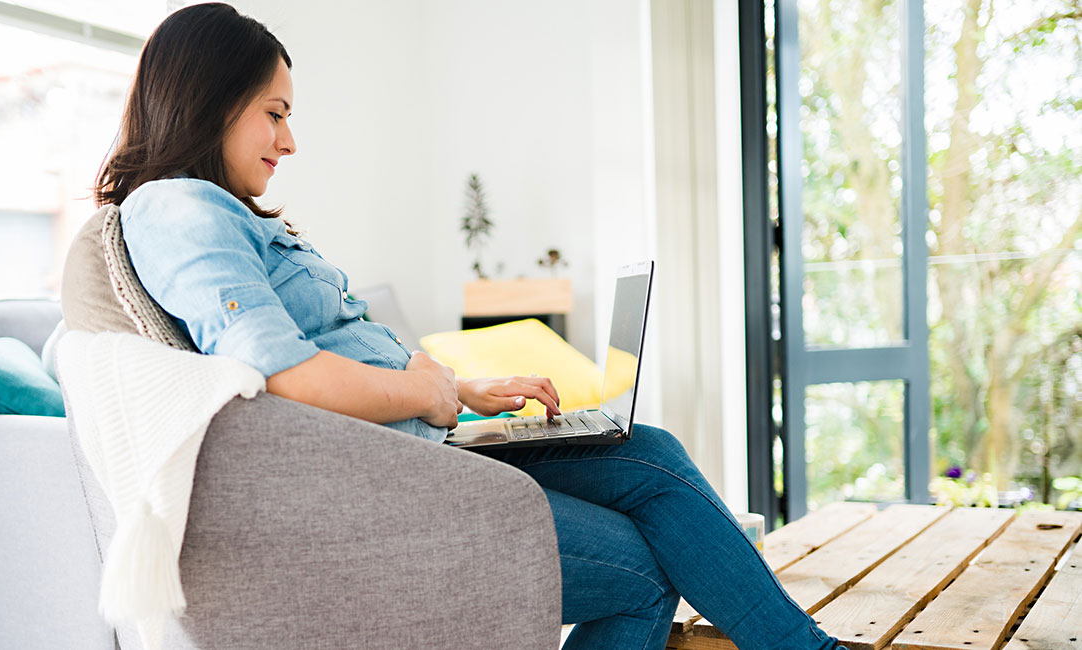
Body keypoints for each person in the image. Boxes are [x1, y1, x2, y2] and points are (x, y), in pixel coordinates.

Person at [93, 4, 848, 649]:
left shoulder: (216, 211)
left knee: (649, 452)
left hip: (423, 446)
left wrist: (462, 388)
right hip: (396, 479)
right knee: (643, 569)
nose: (289, 141)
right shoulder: (179, 209)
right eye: (276, 113)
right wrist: (426, 396)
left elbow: (327, 352)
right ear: (210, 99)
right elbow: (285, 375)